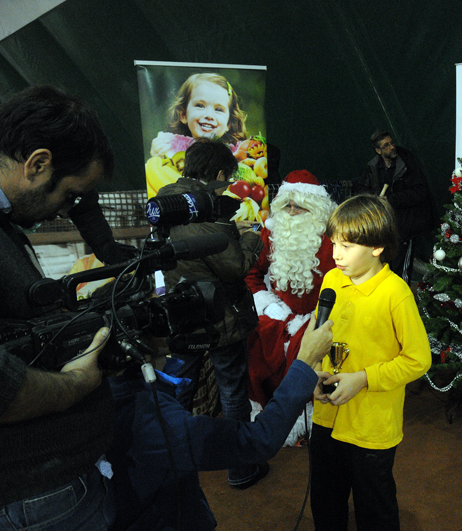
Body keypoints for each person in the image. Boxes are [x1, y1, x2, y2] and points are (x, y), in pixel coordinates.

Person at [0, 85, 117, 529]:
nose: (67, 212)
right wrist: (75, 383)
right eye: (69, 195)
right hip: (21, 504)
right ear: (38, 164)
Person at [107, 313, 333, 531]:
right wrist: (305, 361)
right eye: (159, 315)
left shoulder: (114, 391)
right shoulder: (148, 421)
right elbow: (259, 439)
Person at [310, 194, 432, 531]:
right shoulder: (332, 280)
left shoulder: (396, 293)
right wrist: (315, 375)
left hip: (371, 426)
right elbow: (320, 332)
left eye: (346, 246)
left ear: (377, 246)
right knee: (326, 501)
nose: (335, 254)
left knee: (374, 507)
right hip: (327, 417)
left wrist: (363, 378)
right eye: (333, 242)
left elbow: (418, 359)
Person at [156, 139, 268, 490]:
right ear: (218, 173)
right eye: (225, 178)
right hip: (219, 313)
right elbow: (233, 267)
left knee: (178, 388)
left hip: (182, 308)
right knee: (231, 388)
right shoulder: (200, 209)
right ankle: (240, 468)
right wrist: (251, 239)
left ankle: (168, 460)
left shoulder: (167, 198)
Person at [245, 170, 335, 433]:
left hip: (318, 316)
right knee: (258, 339)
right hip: (279, 313)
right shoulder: (270, 235)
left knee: (305, 346)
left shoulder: (331, 240)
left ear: (315, 208)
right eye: (287, 205)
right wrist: (272, 307)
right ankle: (270, 417)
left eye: (300, 206)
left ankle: (306, 418)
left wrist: (314, 320)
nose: (292, 212)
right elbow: (252, 274)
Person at [145, 73, 268, 221]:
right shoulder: (168, 145)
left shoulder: (238, 153)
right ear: (183, 114)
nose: (209, 115)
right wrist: (157, 157)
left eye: (218, 109)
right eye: (200, 105)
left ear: (228, 123)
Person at [353, 130, 436, 284]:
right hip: (383, 226)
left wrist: (391, 200)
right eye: (386, 145)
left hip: (405, 226)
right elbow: (362, 189)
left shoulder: (406, 163)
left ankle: (400, 300)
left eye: (392, 143)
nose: (392, 147)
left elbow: (420, 192)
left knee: (400, 271)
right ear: (378, 151)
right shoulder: (373, 167)